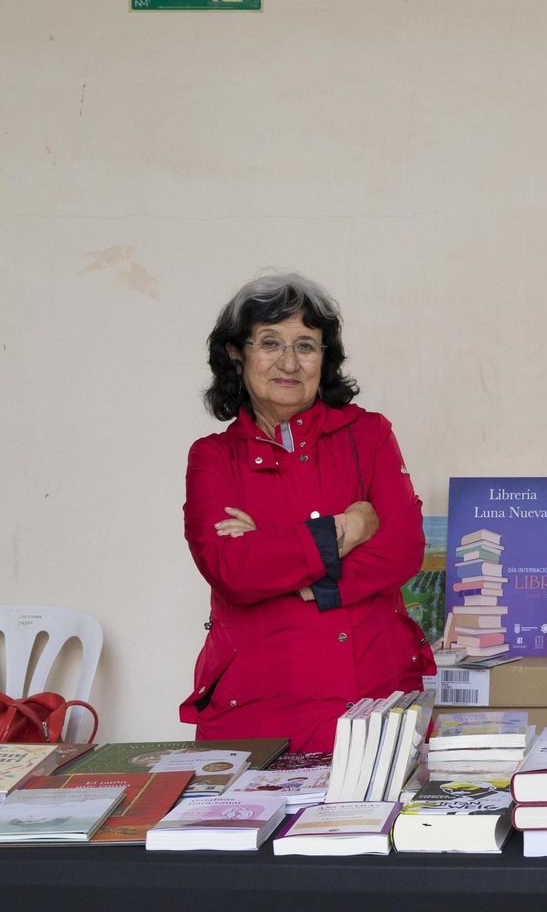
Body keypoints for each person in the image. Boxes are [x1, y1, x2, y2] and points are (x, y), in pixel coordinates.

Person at [181, 272, 436, 753]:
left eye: (306, 345)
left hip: (375, 702)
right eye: (270, 342)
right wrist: (350, 527)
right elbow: (231, 567)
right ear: (237, 352)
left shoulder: (370, 436)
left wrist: (288, 563)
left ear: (325, 358)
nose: (289, 362)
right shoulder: (212, 457)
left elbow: (402, 550)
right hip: (256, 713)